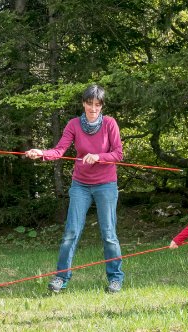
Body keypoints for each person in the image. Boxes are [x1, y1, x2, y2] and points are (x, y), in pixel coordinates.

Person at [25, 84, 124, 293]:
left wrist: (99, 157)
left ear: (102, 106)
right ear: (83, 104)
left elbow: (118, 154)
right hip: (80, 185)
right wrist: (41, 153)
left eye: (98, 105)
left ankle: (115, 278)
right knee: (71, 232)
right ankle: (61, 278)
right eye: (90, 104)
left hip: (106, 184)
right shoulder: (73, 125)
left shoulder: (109, 124)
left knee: (108, 233)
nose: (93, 108)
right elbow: (59, 150)